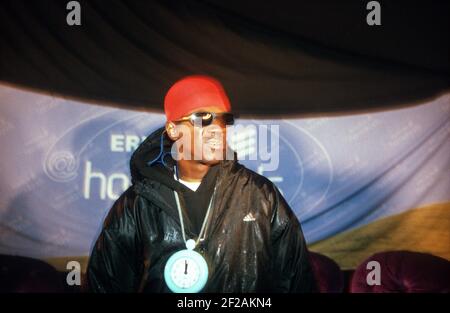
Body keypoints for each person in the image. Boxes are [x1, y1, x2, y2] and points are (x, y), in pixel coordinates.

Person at [87, 75, 316, 293]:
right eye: (202, 119)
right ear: (173, 129)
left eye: (223, 119)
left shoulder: (260, 196)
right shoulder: (137, 204)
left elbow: (297, 281)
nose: (216, 129)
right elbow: (104, 284)